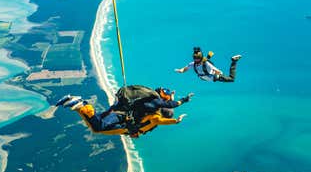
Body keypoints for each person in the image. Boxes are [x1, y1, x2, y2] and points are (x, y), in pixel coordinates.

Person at [56, 86, 192, 138]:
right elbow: (162, 118)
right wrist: (176, 121)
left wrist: (177, 99)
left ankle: (75, 102)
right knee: (98, 127)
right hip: (122, 118)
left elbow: (169, 105)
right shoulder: (155, 112)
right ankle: (81, 104)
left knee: (98, 121)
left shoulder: (149, 99)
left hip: (119, 110)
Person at [175, 47, 242, 82]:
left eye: (196, 59)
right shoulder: (193, 64)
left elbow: (216, 70)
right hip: (208, 78)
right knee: (230, 79)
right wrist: (180, 70)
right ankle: (234, 61)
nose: (195, 60)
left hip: (213, 77)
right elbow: (185, 69)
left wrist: (219, 73)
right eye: (195, 58)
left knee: (231, 79)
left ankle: (234, 61)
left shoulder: (206, 64)